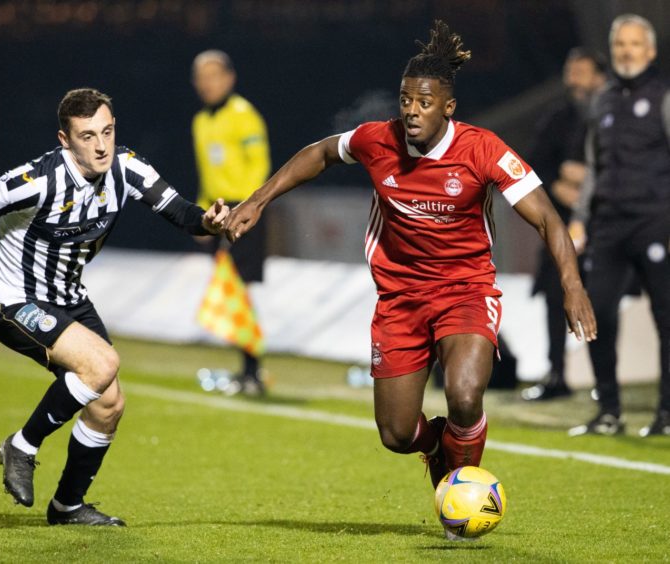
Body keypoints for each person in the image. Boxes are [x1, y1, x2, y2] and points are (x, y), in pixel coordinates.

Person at [225, 20, 596, 538]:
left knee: (466, 393)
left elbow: (548, 218)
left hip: (466, 290)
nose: (411, 111)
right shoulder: (379, 141)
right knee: (397, 434)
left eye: (424, 102)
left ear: (448, 107)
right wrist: (257, 201)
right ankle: (441, 443)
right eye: (405, 100)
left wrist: (573, 287)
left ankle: (459, 492)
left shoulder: (482, 149)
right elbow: (320, 153)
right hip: (399, 299)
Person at [0, 88, 228, 525]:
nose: (100, 145)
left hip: (70, 300)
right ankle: (22, 445)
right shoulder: (38, 181)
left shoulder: (126, 168)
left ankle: (67, 506)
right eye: (88, 135)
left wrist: (208, 220)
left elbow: (181, 213)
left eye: (107, 132)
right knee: (102, 364)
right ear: (65, 139)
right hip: (14, 299)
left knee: (108, 404)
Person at [568, 14, 670, 437]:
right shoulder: (602, 99)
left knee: (667, 319)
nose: (626, 51)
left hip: (656, 222)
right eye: (620, 45)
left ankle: (666, 415)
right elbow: (593, 167)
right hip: (608, 225)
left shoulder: (664, 96)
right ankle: (609, 411)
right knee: (598, 316)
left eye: (634, 44)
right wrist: (579, 218)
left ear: (650, 51)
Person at [521, 48, 608, 401]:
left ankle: (605, 381)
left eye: (582, 71)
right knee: (555, 296)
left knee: (602, 301)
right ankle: (556, 374)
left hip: (606, 226)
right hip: (562, 228)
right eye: (570, 71)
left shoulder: (613, 114)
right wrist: (560, 183)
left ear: (600, 76)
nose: (574, 79)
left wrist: (586, 184)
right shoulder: (558, 117)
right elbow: (534, 164)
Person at [191, 49, 271, 396]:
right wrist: (199, 215)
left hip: (244, 211)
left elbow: (260, 166)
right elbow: (206, 174)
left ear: (229, 78)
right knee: (229, 292)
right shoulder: (201, 121)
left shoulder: (244, 115)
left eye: (214, 76)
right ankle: (247, 370)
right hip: (216, 213)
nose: (207, 84)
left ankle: (253, 370)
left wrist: (248, 208)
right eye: (201, 78)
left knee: (242, 291)